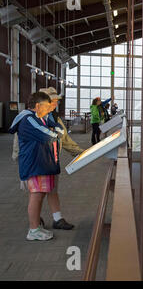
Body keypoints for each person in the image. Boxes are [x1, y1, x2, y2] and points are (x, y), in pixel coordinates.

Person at [8, 92, 62, 241]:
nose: (50, 108)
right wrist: (55, 132)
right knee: (36, 195)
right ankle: (33, 229)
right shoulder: (29, 119)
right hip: (34, 164)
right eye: (47, 105)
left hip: (40, 162)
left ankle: (36, 226)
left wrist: (55, 131)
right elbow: (50, 136)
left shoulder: (37, 118)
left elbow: (56, 130)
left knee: (40, 194)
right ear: (38, 106)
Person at [40, 87, 85, 230]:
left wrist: (81, 152)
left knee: (52, 189)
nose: (55, 103)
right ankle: (35, 221)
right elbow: (20, 140)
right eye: (52, 100)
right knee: (38, 193)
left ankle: (57, 219)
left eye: (56, 101)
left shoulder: (55, 118)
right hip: (37, 162)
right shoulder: (33, 117)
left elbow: (65, 140)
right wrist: (18, 157)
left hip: (52, 161)